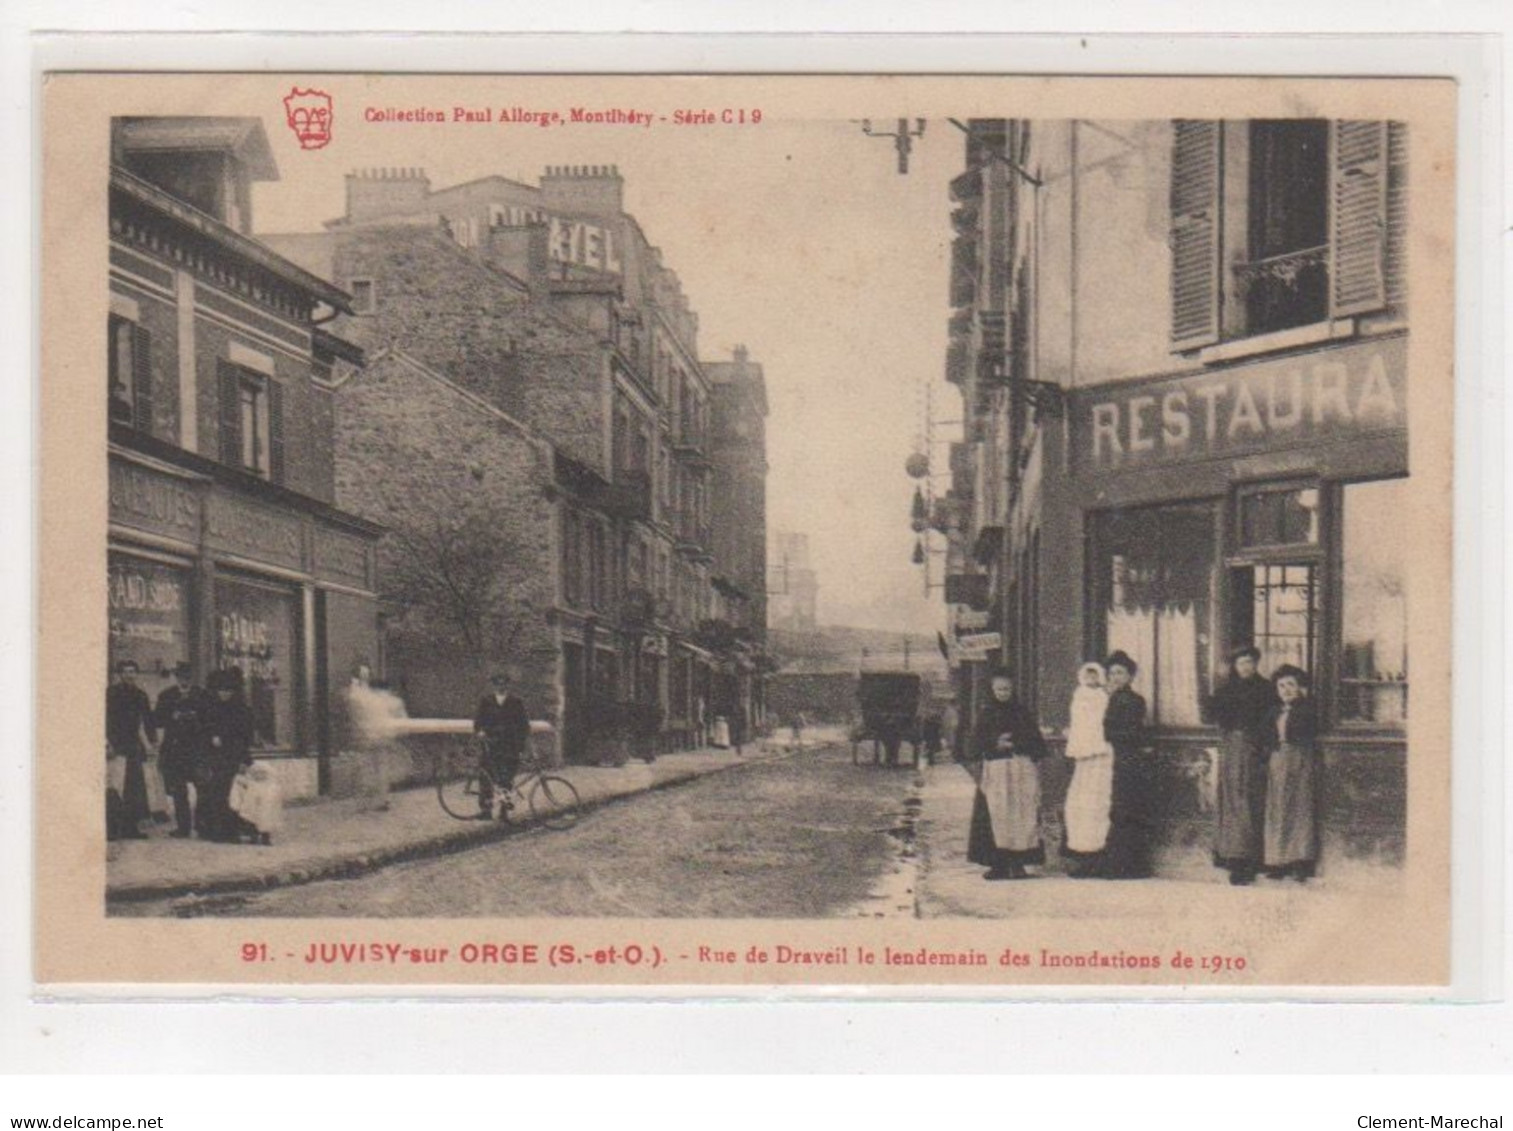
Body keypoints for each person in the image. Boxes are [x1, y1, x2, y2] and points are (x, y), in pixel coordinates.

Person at [965, 668, 1048, 880]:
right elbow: (974, 745)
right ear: (992, 690)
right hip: (997, 771)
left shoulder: (1022, 712)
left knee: (1021, 815)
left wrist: (1016, 742)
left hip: (1020, 769)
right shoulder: (986, 713)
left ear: (1013, 689)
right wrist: (995, 743)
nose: (1003, 692)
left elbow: (1035, 741)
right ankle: (998, 865)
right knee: (996, 815)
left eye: (1007, 688)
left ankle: (1019, 864)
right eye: (999, 689)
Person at [1208, 646, 1279, 885]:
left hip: (1255, 750)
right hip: (1231, 749)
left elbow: (1272, 721)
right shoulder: (1227, 690)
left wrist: (1260, 746)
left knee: (1250, 801)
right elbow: (1213, 713)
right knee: (1232, 800)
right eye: (1241, 663)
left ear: (1256, 663)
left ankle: (1250, 859)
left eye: (1249, 662)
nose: (1246, 667)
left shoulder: (1267, 689)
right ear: (1235, 666)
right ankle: (1232, 857)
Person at [1100, 651, 1155, 879]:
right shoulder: (1107, 698)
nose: (1115, 677)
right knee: (1117, 809)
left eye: (1121, 672)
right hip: (1113, 758)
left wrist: (1112, 733)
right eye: (1112, 672)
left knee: (1126, 809)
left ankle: (1125, 865)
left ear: (1130, 676)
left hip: (1127, 759)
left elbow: (1125, 731)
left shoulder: (1133, 700)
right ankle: (1119, 864)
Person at [1263, 665, 1321, 882]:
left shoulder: (1307, 710)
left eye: (1290, 685)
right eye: (1281, 686)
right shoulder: (1274, 712)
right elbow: (1265, 736)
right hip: (1278, 761)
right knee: (1277, 809)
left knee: (1299, 808)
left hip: (1300, 760)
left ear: (1299, 688)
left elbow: (1310, 732)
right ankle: (1278, 861)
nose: (1286, 690)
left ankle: (1300, 862)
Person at [1062, 662, 1114, 876]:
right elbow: (1080, 722)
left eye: (1095, 676)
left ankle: (1098, 855)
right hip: (1084, 756)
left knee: (1100, 804)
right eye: (1088, 676)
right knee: (1081, 805)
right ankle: (1082, 853)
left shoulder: (1104, 697)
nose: (1092, 680)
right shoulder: (1080, 696)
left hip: (1102, 757)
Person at [154, 662, 210, 839]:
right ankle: (183, 827)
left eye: (187, 676)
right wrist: (172, 716)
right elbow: (157, 720)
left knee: (203, 789)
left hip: (197, 750)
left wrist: (196, 718)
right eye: (181, 676)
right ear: (176, 677)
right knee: (179, 791)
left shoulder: (203, 695)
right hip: (175, 750)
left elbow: (211, 720)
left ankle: (202, 825)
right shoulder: (166, 696)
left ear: (192, 677)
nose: (184, 680)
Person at [202, 668, 257, 843]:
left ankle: (232, 831)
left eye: (227, 690)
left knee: (235, 795)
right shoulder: (212, 709)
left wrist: (243, 760)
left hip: (235, 757)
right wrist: (212, 738)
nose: (223, 694)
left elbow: (246, 738)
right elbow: (206, 730)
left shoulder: (242, 711)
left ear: (233, 691)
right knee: (217, 794)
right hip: (217, 758)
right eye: (220, 690)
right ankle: (217, 831)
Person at [105, 660, 158, 839]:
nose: (129, 674)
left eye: (132, 671)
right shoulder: (111, 694)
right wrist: (108, 743)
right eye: (126, 671)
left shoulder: (140, 695)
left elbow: (147, 721)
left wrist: (151, 743)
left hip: (133, 746)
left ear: (137, 674)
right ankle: (112, 828)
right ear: (120, 674)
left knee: (134, 788)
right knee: (114, 786)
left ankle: (131, 827)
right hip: (115, 745)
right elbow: (105, 720)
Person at [473, 671, 531, 819]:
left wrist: (521, 746)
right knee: (486, 778)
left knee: (506, 778)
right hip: (490, 744)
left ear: (508, 685)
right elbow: (478, 721)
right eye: (497, 684)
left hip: (509, 745)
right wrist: (480, 731)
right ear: (493, 685)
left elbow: (524, 725)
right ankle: (486, 810)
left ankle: (504, 811)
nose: (501, 686)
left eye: (504, 683)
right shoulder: (486, 700)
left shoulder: (516, 702)